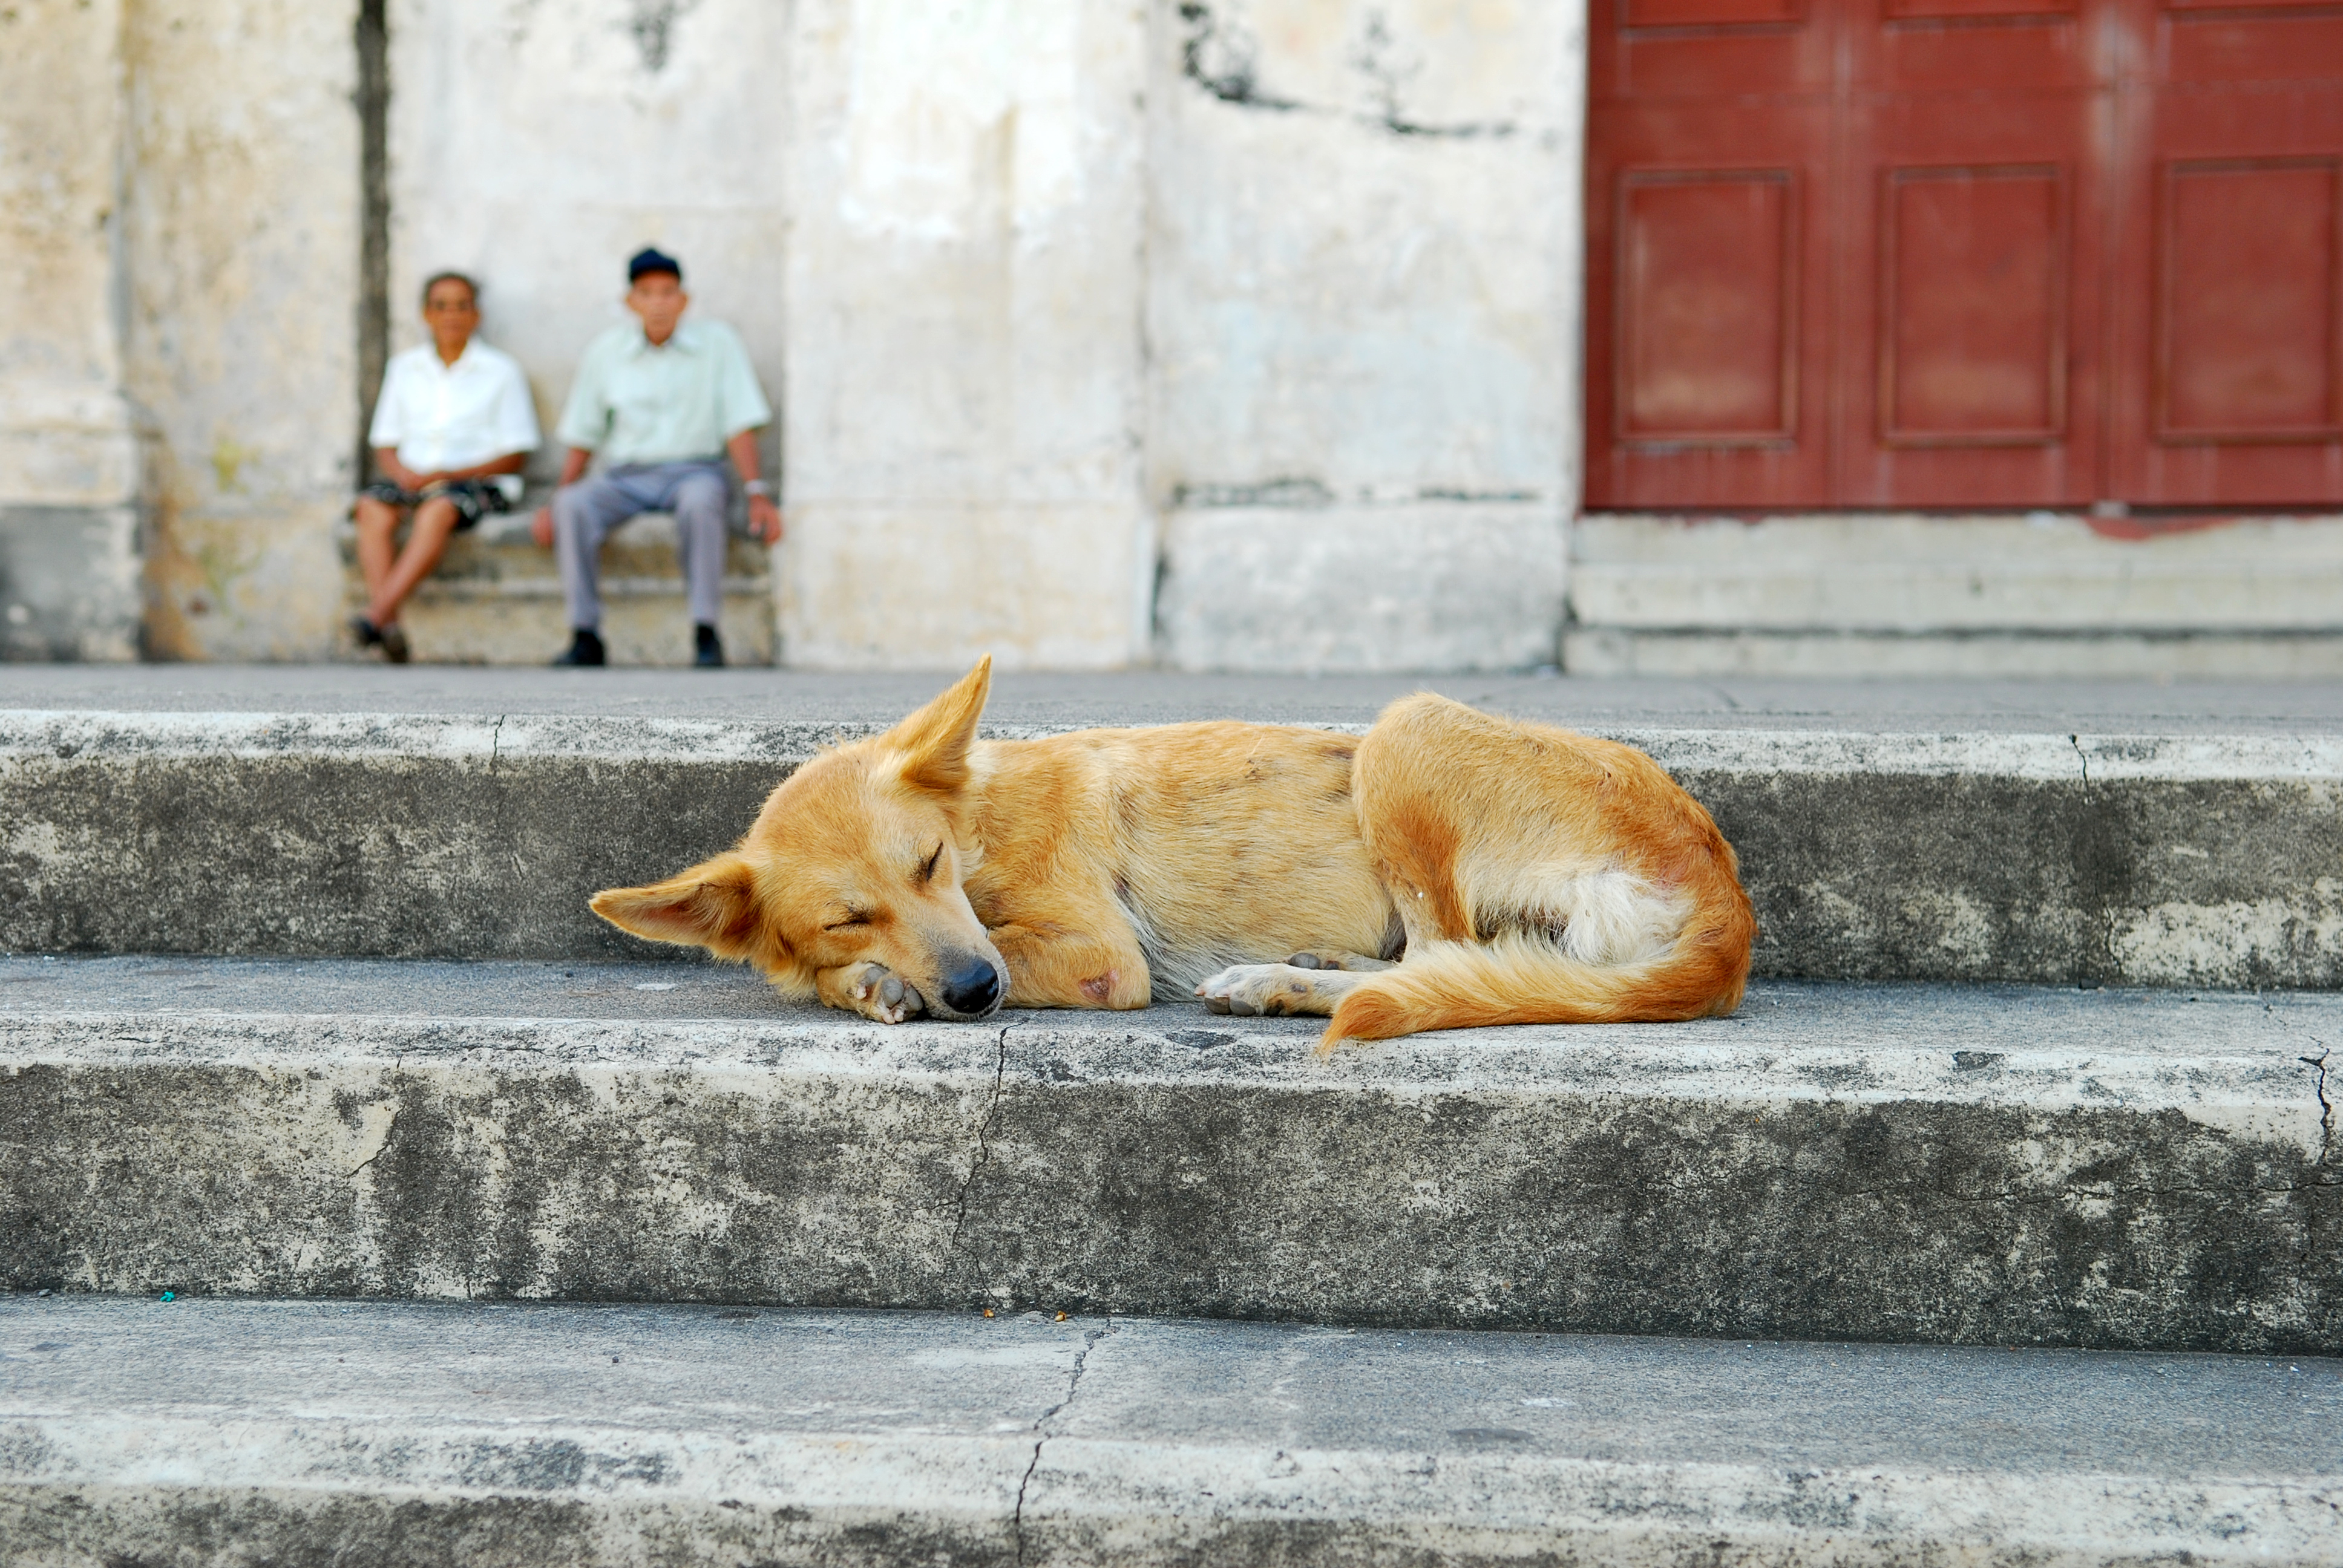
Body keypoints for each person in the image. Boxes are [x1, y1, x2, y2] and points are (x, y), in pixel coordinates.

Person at [532, 247, 782, 668]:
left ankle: (706, 631)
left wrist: (757, 492)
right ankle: (585, 633)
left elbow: (739, 423)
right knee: (573, 506)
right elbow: (584, 432)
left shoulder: (718, 344)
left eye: (668, 293)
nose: (658, 303)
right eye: (647, 293)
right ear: (631, 302)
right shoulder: (605, 352)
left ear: (684, 300)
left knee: (702, 503)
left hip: (694, 471)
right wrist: (557, 497)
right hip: (624, 477)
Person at [353, 272, 540, 662]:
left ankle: (376, 616)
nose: (451, 315)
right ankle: (388, 626)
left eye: (461, 306)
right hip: (415, 477)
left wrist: (447, 476)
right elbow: (385, 442)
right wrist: (401, 473)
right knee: (371, 509)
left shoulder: (501, 371)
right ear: (426, 314)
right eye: (441, 306)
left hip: (475, 483)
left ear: (476, 315)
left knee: (438, 510)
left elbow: (517, 453)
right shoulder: (405, 368)